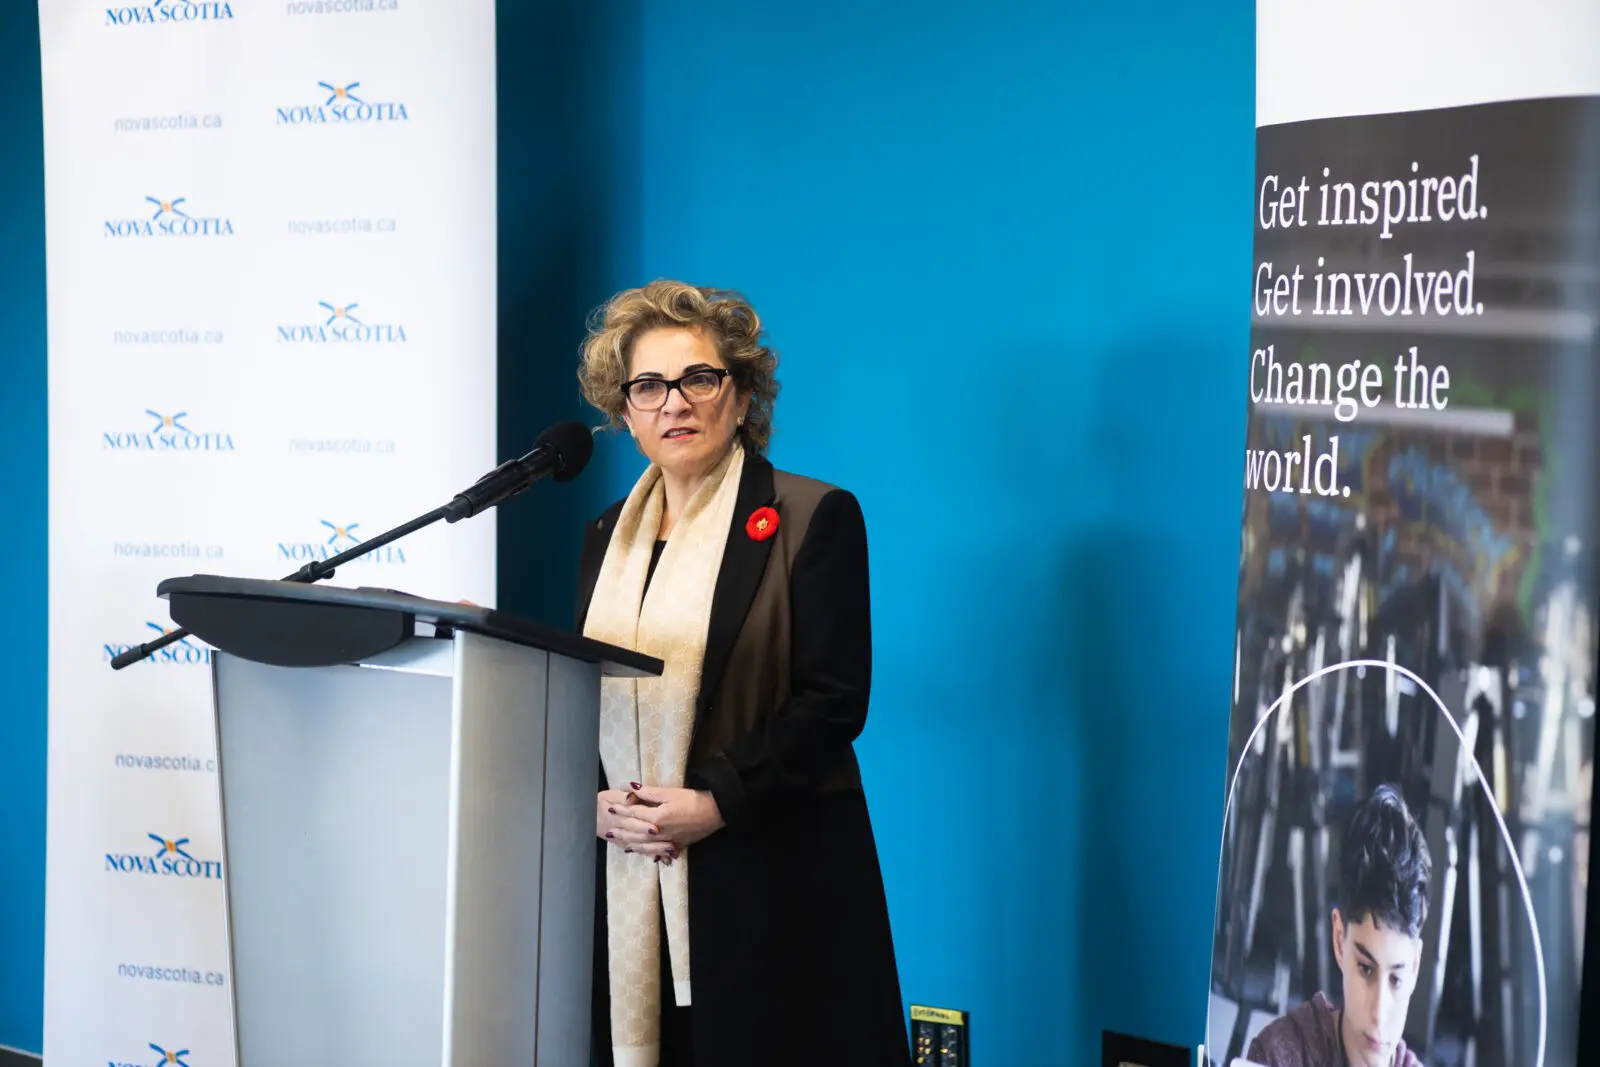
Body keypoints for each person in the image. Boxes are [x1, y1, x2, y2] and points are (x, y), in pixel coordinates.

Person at [572, 280, 910, 1067]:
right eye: (648, 387)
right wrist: (589, 800)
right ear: (625, 413)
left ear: (743, 393)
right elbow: (592, 694)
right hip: (634, 870)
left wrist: (716, 799)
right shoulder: (603, 538)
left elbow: (833, 701)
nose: (674, 404)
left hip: (770, 869)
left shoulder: (810, 515)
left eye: (699, 378)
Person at [1247, 784, 1432, 1067]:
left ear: (1416, 967)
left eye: (1396, 979)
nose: (1379, 1014)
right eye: (1365, 968)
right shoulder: (1279, 1057)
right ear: (1338, 939)